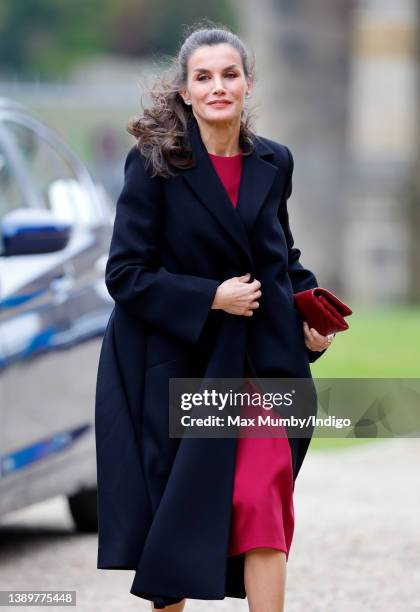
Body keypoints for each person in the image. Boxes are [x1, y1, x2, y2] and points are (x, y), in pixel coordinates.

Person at [95, 22, 334, 612]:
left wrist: (311, 315)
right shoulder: (153, 165)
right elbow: (125, 274)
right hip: (176, 364)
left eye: (230, 75)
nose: (218, 87)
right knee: (175, 516)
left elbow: (283, 256)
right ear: (185, 91)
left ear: (248, 83)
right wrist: (210, 297)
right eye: (204, 77)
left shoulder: (275, 162)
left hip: (259, 364)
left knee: (262, 495)